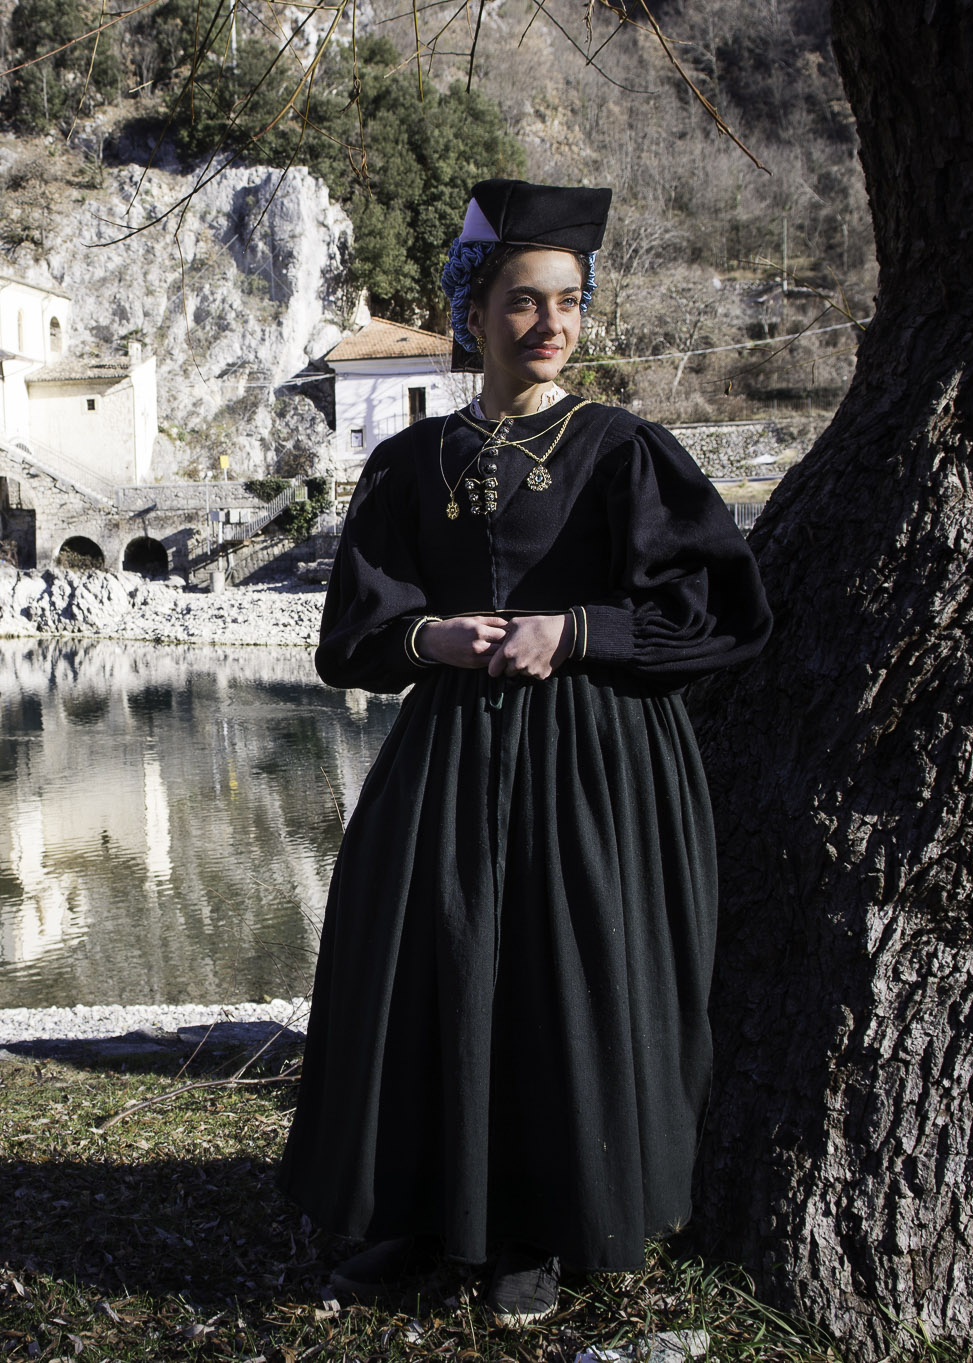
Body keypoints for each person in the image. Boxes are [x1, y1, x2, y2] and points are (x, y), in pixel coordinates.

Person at [278, 178, 772, 1325]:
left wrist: (578, 629)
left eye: (567, 302)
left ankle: (537, 1233)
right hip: (446, 756)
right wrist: (431, 634)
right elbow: (350, 638)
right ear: (472, 313)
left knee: (560, 988)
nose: (550, 325)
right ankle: (413, 1211)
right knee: (420, 974)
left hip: (596, 765)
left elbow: (723, 618)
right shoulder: (407, 464)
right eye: (521, 302)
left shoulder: (624, 452)